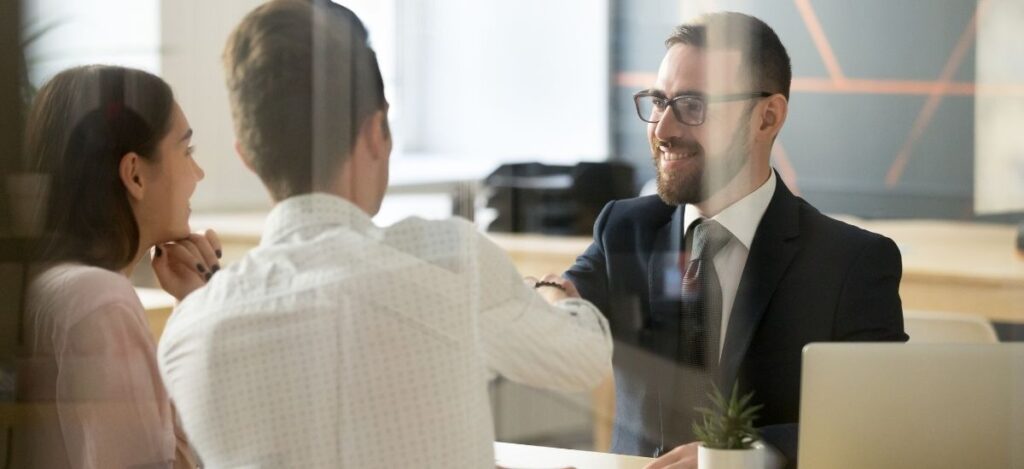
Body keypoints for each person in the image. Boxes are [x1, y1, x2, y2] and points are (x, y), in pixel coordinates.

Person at [156, 1, 612, 467]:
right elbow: (584, 360)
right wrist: (553, 292)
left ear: (247, 156)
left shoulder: (187, 336)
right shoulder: (449, 259)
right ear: (376, 130)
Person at [563, 12, 907, 468]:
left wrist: (743, 456)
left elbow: (875, 419)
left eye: (692, 105)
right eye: (659, 101)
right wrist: (548, 295)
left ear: (767, 118)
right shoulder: (624, 229)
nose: (662, 129)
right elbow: (562, 301)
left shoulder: (852, 263)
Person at [17, 65, 218, 469]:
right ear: (135, 174)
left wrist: (192, 305)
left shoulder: (52, 283)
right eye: (187, 151)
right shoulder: (99, 299)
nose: (198, 173)